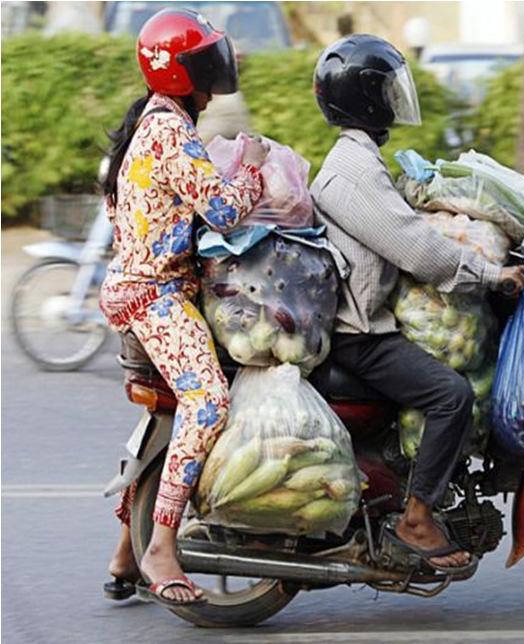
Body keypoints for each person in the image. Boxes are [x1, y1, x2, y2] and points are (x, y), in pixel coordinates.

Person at [310, 34, 524, 573]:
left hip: (365, 322)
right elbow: (415, 247)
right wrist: (489, 272)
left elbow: (403, 227)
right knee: (452, 394)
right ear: (365, 98)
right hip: (360, 335)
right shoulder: (352, 172)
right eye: (385, 89)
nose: (393, 99)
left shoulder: (359, 161)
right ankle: (416, 517)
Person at [99, 8, 268, 607]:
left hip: (143, 290)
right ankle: (161, 546)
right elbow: (224, 209)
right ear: (180, 73)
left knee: (175, 414)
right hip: (155, 296)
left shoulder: (156, 120)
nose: (215, 69)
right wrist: (255, 168)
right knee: (208, 402)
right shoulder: (169, 130)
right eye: (203, 60)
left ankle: (125, 551)